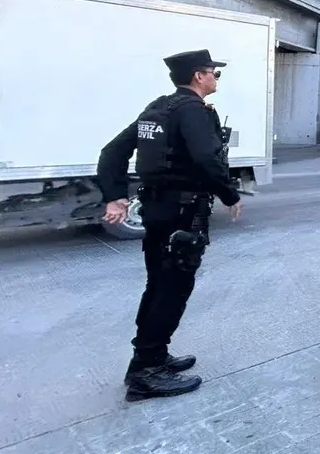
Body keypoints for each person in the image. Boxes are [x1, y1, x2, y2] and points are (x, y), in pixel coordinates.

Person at [97, 49, 243, 401]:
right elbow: (207, 159)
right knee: (173, 287)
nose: (215, 79)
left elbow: (111, 152)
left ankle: (151, 356)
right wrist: (229, 194)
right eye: (213, 73)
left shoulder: (159, 108)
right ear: (198, 76)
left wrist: (115, 194)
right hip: (183, 212)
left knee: (158, 283)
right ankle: (147, 373)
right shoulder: (191, 112)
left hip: (157, 209)